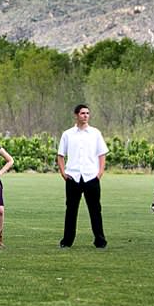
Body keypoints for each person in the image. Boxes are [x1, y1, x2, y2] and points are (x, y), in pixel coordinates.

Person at [57, 104, 109, 249]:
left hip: (91, 176)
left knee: (95, 210)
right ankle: (67, 241)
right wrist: (63, 173)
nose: (85, 116)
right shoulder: (67, 134)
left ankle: (100, 240)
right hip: (73, 177)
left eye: (87, 113)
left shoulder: (95, 133)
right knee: (71, 210)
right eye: (82, 113)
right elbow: (60, 155)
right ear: (76, 115)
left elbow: (102, 154)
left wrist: (100, 173)